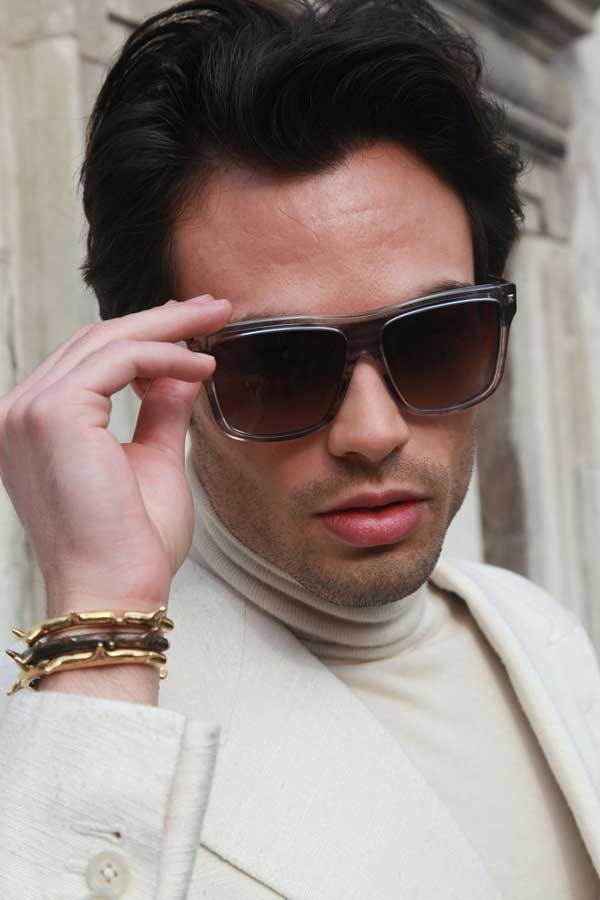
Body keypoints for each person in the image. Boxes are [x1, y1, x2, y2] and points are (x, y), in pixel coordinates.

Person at [0, 0, 599, 897]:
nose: (372, 432)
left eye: (437, 338)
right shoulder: (77, 741)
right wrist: (103, 626)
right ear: (159, 368)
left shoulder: (537, 635)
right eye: (280, 364)